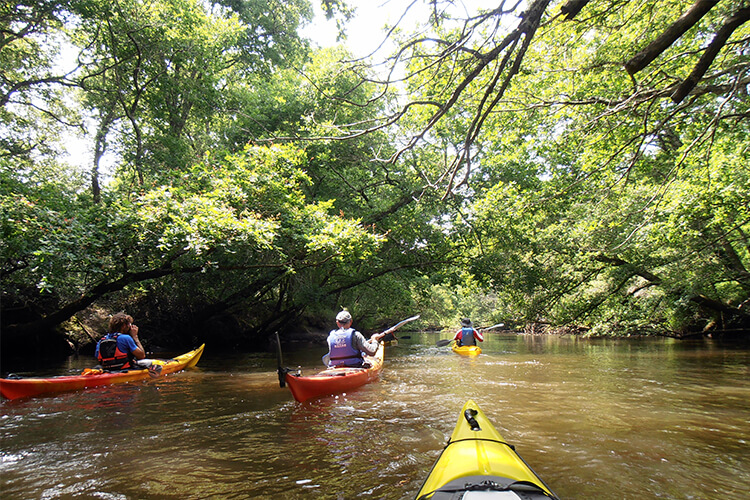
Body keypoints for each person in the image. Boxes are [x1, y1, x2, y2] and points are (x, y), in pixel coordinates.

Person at [95, 312, 161, 374]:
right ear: (124, 326)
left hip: (108, 371)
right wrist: (135, 337)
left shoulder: (101, 340)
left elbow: (98, 357)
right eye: (129, 324)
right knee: (152, 363)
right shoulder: (126, 338)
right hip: (124, 370)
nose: (131, 326)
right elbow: (141, 356)